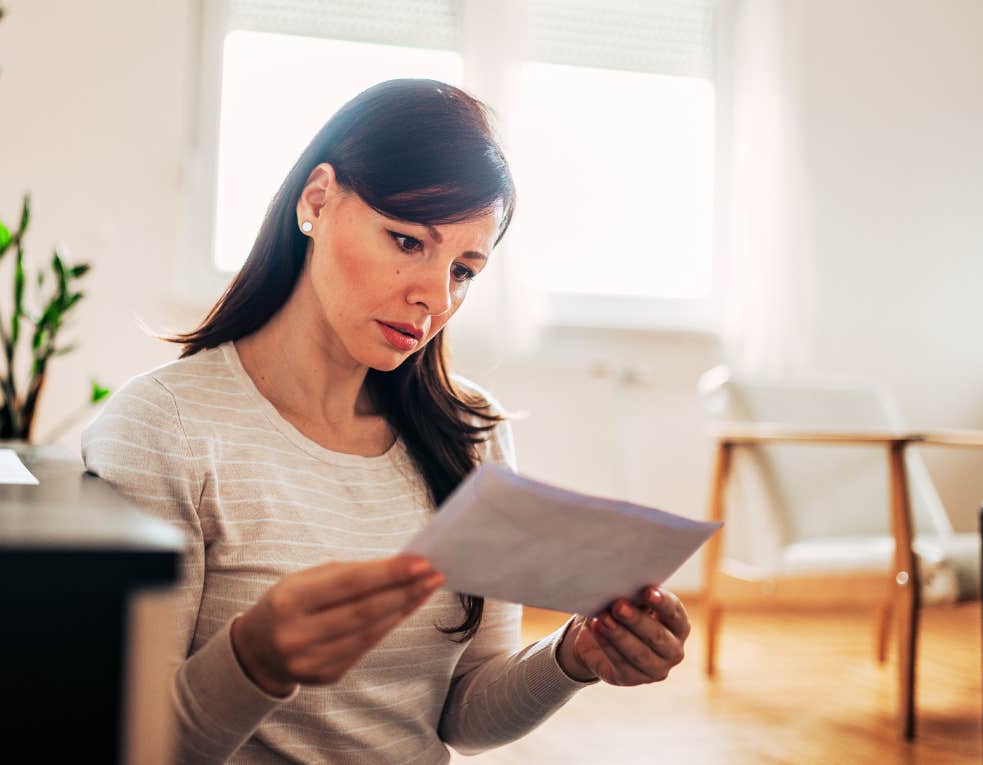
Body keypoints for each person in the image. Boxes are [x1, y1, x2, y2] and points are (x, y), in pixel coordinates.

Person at [83, 79, 690, 764]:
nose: (433, 296)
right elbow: (139, 746)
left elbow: (464, 715)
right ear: (317, 201)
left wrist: (573, 654)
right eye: (406, 241)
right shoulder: (161, 428)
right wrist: (253, 660)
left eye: (464, 269)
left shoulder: (472, 434)